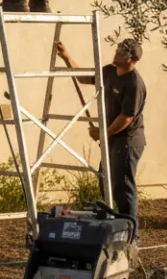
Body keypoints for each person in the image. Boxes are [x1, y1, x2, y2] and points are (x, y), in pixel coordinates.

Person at [56, 38, 147, 222]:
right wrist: (66, 57)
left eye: (121, 51)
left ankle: (130, 233)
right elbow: (83, 77)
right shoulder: (109, 72)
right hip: (112, 139)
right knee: (105, 182)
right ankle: (113, 226)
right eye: (118, 49)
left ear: (131, 59)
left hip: (127, 142)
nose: (116, 52)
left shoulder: (134, 83)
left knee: (123, 188)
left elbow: (126, 118)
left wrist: (103, 133)